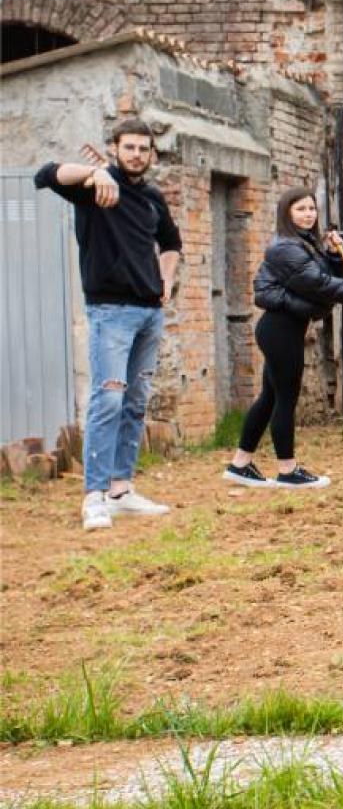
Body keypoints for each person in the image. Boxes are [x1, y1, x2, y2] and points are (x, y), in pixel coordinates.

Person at [35, 119, 181, 530]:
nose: (137, 154)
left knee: (134, 403)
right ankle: (94, 496)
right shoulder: (94, 186)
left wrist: (165, 281)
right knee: (109, 401)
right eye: (129, 147)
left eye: (144, 149)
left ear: (152, 154)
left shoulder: (152, 197)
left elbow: (172, 243)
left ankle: (120, 490)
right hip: (109, 313)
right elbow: (46, 174)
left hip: (149, 315)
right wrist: (94, 172)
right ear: (115, 148)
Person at [223, 188, 343, 489]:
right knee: (285, 399)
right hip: (280, 330)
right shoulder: (285, 248)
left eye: (311, 209)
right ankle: (288, 471)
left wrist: (331, 253)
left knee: (269, 397)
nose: (308, 214)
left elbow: (323, 278)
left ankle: (240, 464)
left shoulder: (305, 244)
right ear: (286, 213)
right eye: (300, 209)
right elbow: (317, 285)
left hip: (286, 327)